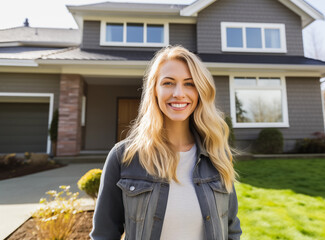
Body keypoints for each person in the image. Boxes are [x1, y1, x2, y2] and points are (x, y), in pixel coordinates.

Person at [90, 45, 242, 240]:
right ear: (154, 90)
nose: (179, 93)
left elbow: (231, 231)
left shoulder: (217, 156)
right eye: (168, 83)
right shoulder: (124, 157)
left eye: (189, 84)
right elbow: (104, 235)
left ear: (200, 91)